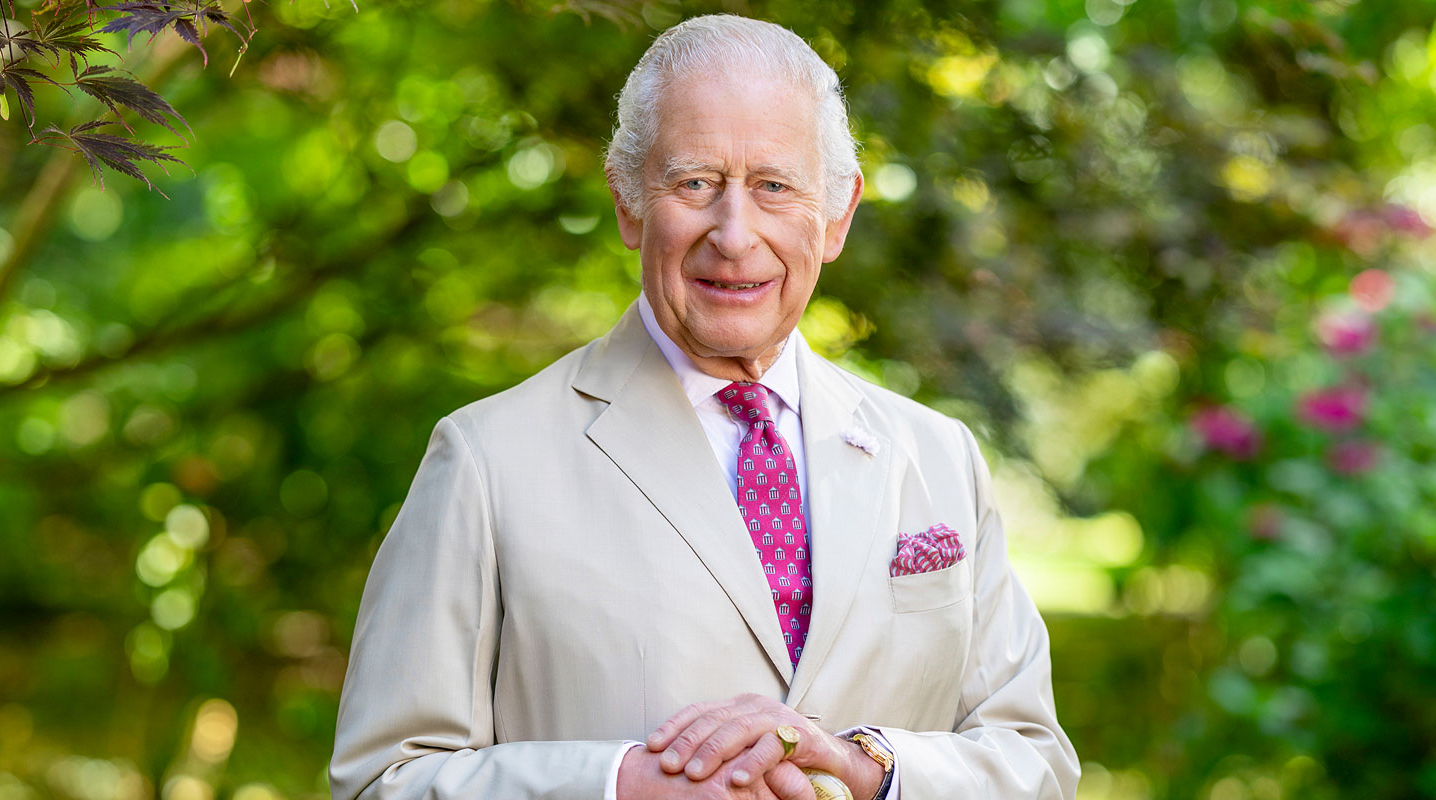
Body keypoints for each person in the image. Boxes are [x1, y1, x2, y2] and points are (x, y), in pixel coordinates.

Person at [329, 14, 1079, 800]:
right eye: (694, 183)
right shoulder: (486, 461)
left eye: (774, 187)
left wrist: (868, 771)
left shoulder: (940, 456)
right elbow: (384, 780)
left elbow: (1035, 761)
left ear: (836, 216)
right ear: (627, 202)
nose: (734, 232)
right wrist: (617, 786)